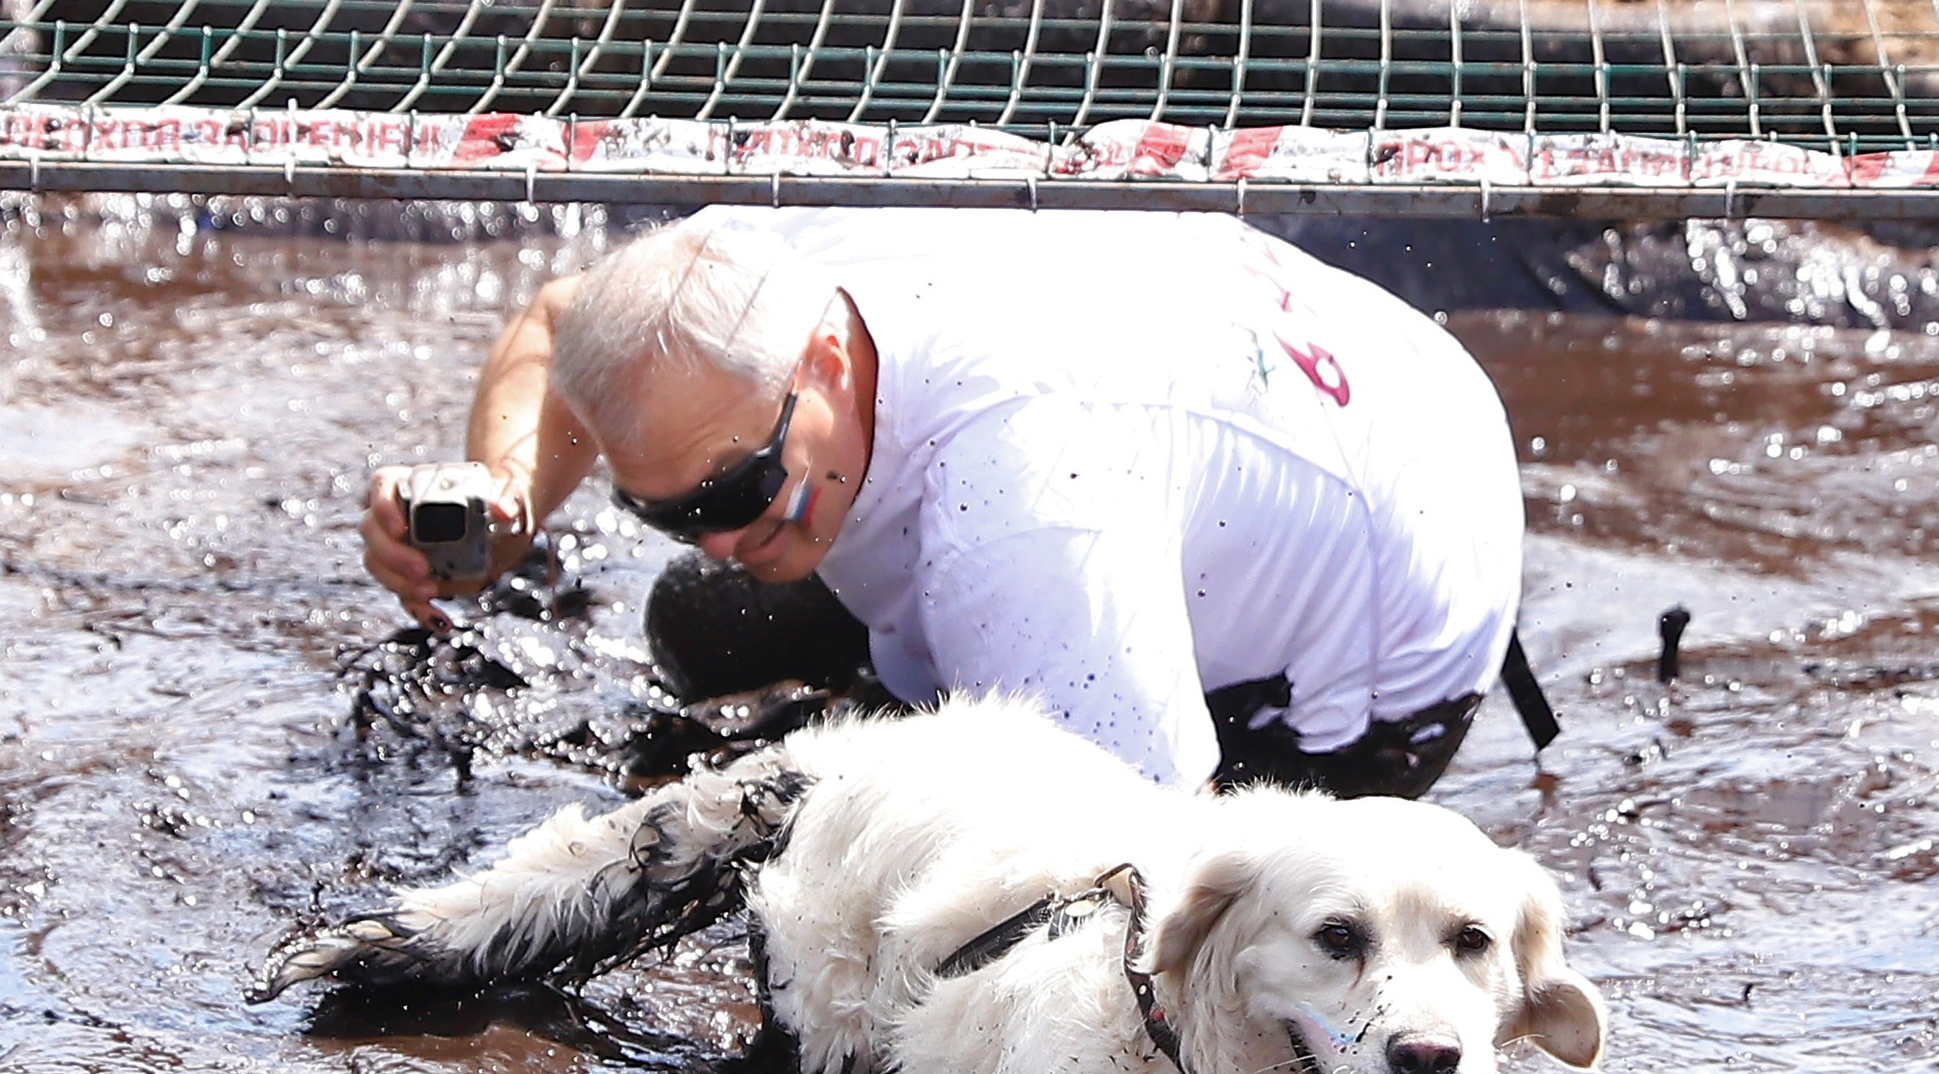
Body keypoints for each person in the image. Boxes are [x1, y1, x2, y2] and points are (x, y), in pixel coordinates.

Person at [360, 207, 1541, 797]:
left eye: (732, 487)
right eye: (664, 508)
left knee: (917, 849)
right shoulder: (772, 277)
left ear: (825, 359)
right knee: (703, 617)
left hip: (1406, 618)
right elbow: (563, 321)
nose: (718, 533)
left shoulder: (1022, 507)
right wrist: (509, 503)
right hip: (1350, 390)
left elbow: (1139, 852)